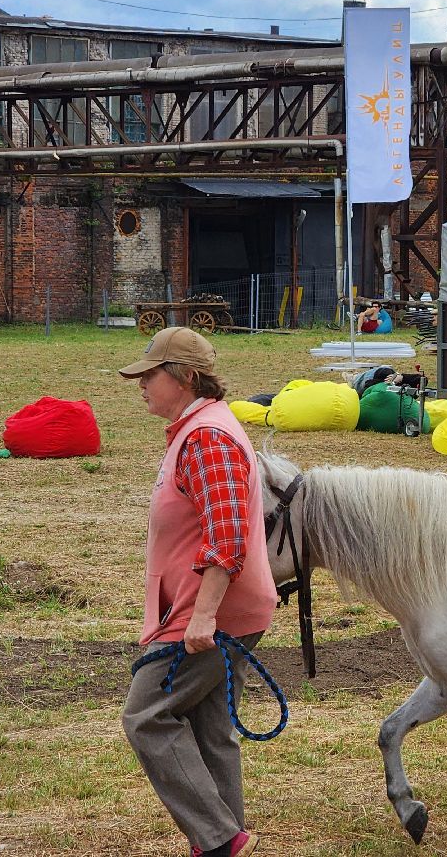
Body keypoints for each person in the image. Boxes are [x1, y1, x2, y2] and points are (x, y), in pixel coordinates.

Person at [119, 326, 277, 857]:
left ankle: (218, 840)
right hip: (209, 609)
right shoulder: (195, 431)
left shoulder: (207, 436)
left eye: (150, 375)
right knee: (210, 730)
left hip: (209, 614)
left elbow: (226, 535)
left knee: (146, 716)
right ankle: (224, 841)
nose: (140, 385)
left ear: (185, 377)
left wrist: (202, 617)